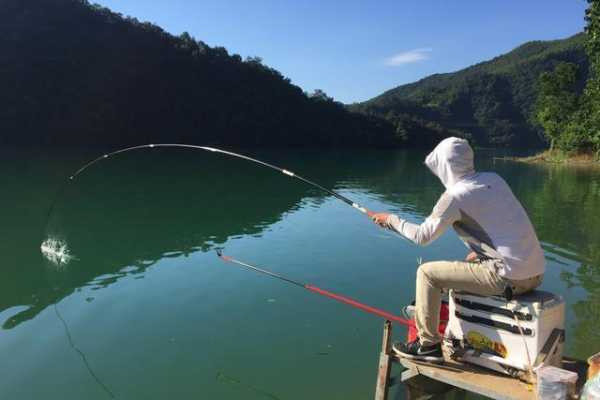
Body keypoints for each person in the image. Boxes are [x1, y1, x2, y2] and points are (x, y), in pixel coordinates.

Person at [370, 137, 545, 363]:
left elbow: (422, 236)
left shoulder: (454, 196)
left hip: (508, 277)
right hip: (535, 273)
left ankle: (427, 345)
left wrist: (391, 219)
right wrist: (481, 252)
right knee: (466, 264)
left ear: (444, 167)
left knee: (427, 273)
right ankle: (463, 329)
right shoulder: (494, 179)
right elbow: (503, 225)